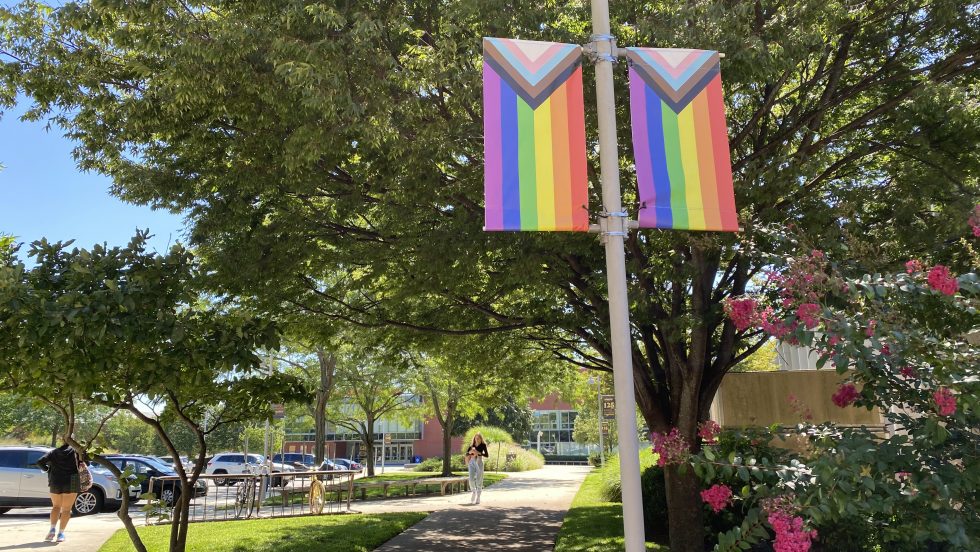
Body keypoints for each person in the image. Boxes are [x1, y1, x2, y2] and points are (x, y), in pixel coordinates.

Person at [36, 443, 81, 543]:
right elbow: (86, 462)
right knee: (66, 509)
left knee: (56, 507)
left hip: (55, 481)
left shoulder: (53, 452)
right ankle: (61, 534)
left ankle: (52, 530)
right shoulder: (76, 452)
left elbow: (39, 462)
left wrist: (47, 469)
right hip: (72, 481)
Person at [465, 433, 489, 505]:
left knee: (479, 479)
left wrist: (478, 452)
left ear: (481, 439)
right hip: (472, 462)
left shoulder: (483, 445)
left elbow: (486, 455)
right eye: (476, 438)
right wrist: (470, 452)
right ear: (474, 438)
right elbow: (466, 454)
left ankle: (478, 496)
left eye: (478, 438)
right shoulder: (471, 446)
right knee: (471, 479)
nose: (477, 439)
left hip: (479, 462)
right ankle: (474, 491)